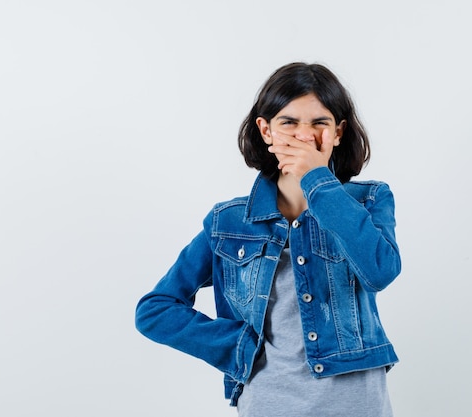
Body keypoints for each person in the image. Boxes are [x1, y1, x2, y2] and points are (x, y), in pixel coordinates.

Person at [135, 62, 401, 416]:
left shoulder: (368, 200)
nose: (304, 136)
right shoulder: (228, 221)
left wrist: (318, 181)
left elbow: (380, 271)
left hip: (355, 402)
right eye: (289, 122)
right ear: (266, 130)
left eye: (319, 123)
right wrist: (237, 346)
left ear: (338, 133)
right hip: (268, 403)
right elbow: (155, 309)